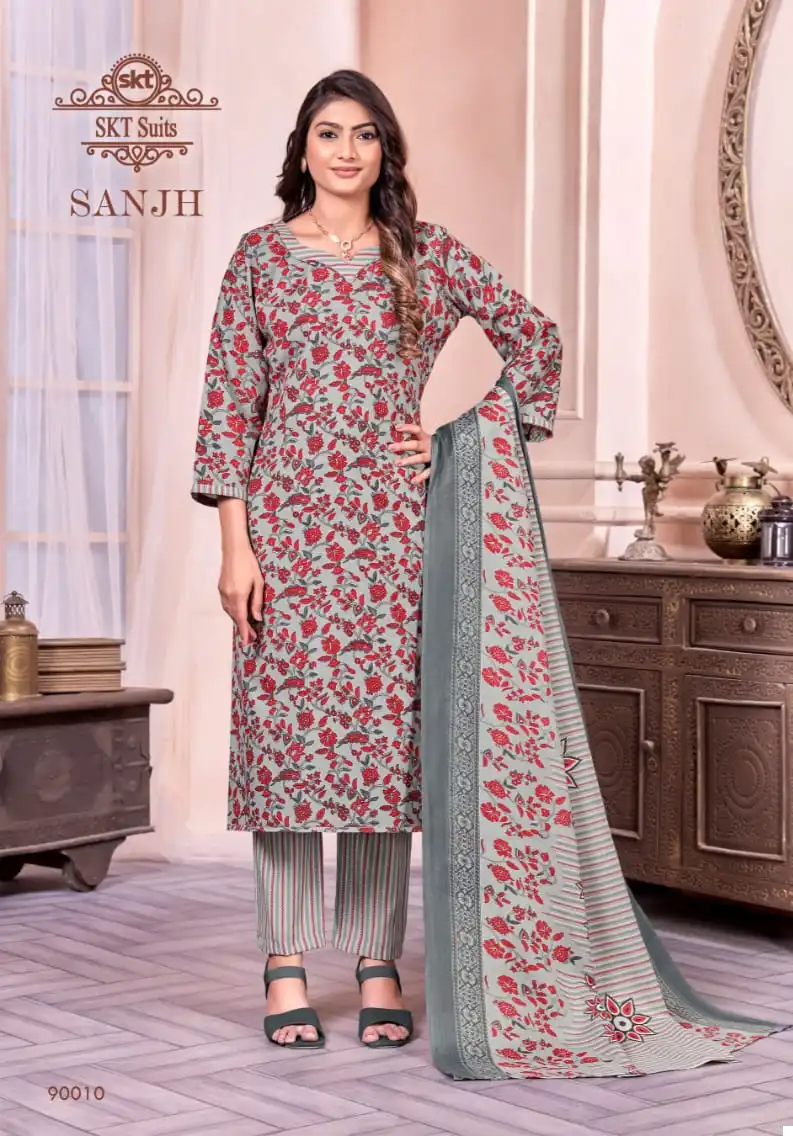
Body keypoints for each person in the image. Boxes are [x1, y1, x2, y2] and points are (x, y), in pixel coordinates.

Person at [192, 69, 785, 1074]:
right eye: (329, 133)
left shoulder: (419, 254)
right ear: (302, 149)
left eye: (365, 134)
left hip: (391, 540)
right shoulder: (260, 259)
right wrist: (235, 546)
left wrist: (457, 439)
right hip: (286, 538)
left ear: (385, 151)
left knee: (378, 756)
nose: (346, 151)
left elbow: (535, 338)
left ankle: (377, 963)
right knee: (287, 751)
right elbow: (225, 409)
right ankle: (283, 963)